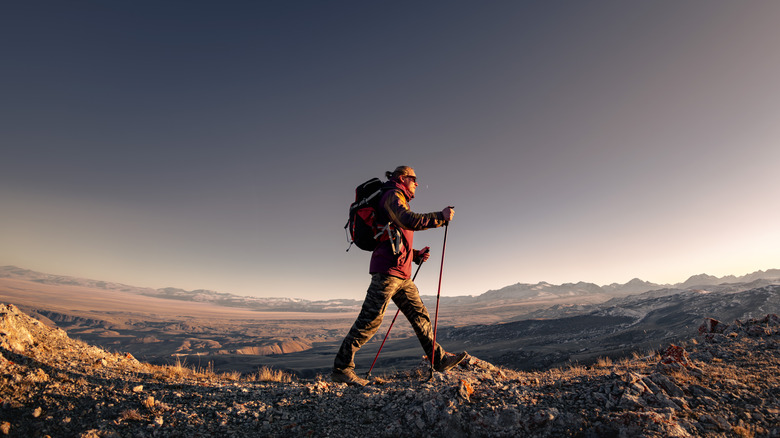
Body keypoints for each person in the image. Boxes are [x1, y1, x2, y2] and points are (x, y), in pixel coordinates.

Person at [332, 165, 467, 386]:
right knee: (369, 321)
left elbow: (394, 237)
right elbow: (408, 220)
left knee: (419, 315)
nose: (417, 184)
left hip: (401, 274)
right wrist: (440, 217)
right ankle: (342, 368)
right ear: (403, 178)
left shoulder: (395, 198)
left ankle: (439, 359)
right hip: (387, 273)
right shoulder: (392, 195)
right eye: (414, 180)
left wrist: (415, 255)